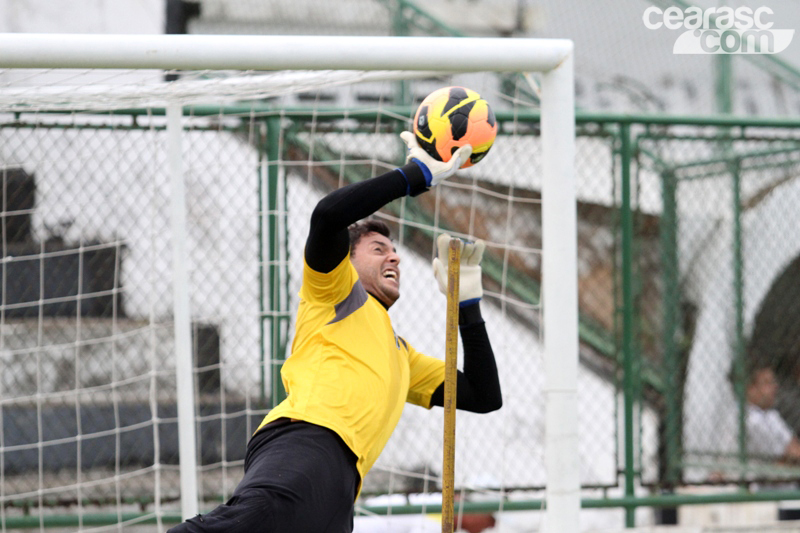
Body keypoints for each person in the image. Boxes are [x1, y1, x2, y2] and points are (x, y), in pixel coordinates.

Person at [168, 132, 502, 532]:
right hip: (307, 441)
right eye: (378, 249)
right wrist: (415, 176)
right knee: (253, 519)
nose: (393, 255)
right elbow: (328, 216)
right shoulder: (335, 292)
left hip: (343, 484)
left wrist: (467, 307)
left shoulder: (401, 354)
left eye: (393, 250)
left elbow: (484, 396)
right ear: (346, 260)